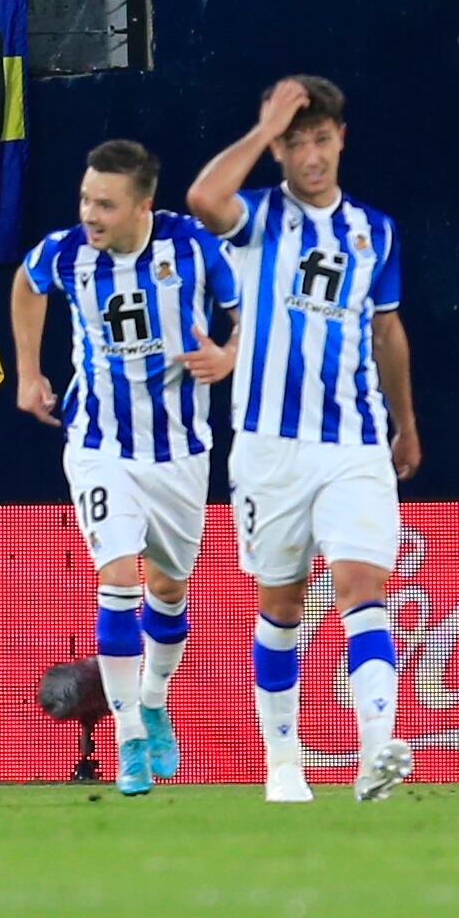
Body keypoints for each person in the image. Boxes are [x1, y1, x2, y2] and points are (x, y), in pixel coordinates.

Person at [187, 75, 419, 806]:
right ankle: (281, 761)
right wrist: (262, 128)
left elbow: (385, 329)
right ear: (279, 150)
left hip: (351, 440)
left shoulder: (375, 231)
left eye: (320, 139)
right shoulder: (255, 217)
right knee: (281, 604)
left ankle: (377, 749)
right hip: (266, 446)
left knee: (360, 585)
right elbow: (201, 199)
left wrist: (404, 422)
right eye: (296, 143)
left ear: (340, 139)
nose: (311, 156)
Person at [10, 141, 239, 798]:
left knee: (167, 591)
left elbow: (247, 308)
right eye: (85, 199)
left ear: (142, 205)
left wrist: (227, 355)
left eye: (104, 204)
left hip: (179, 453)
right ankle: (127, 734)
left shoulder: (193, 247)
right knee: (115, 577)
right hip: (98, 444)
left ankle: (154, 698)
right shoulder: (66, 253)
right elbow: (26, 284)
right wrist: (28, 372)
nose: (90, 214)